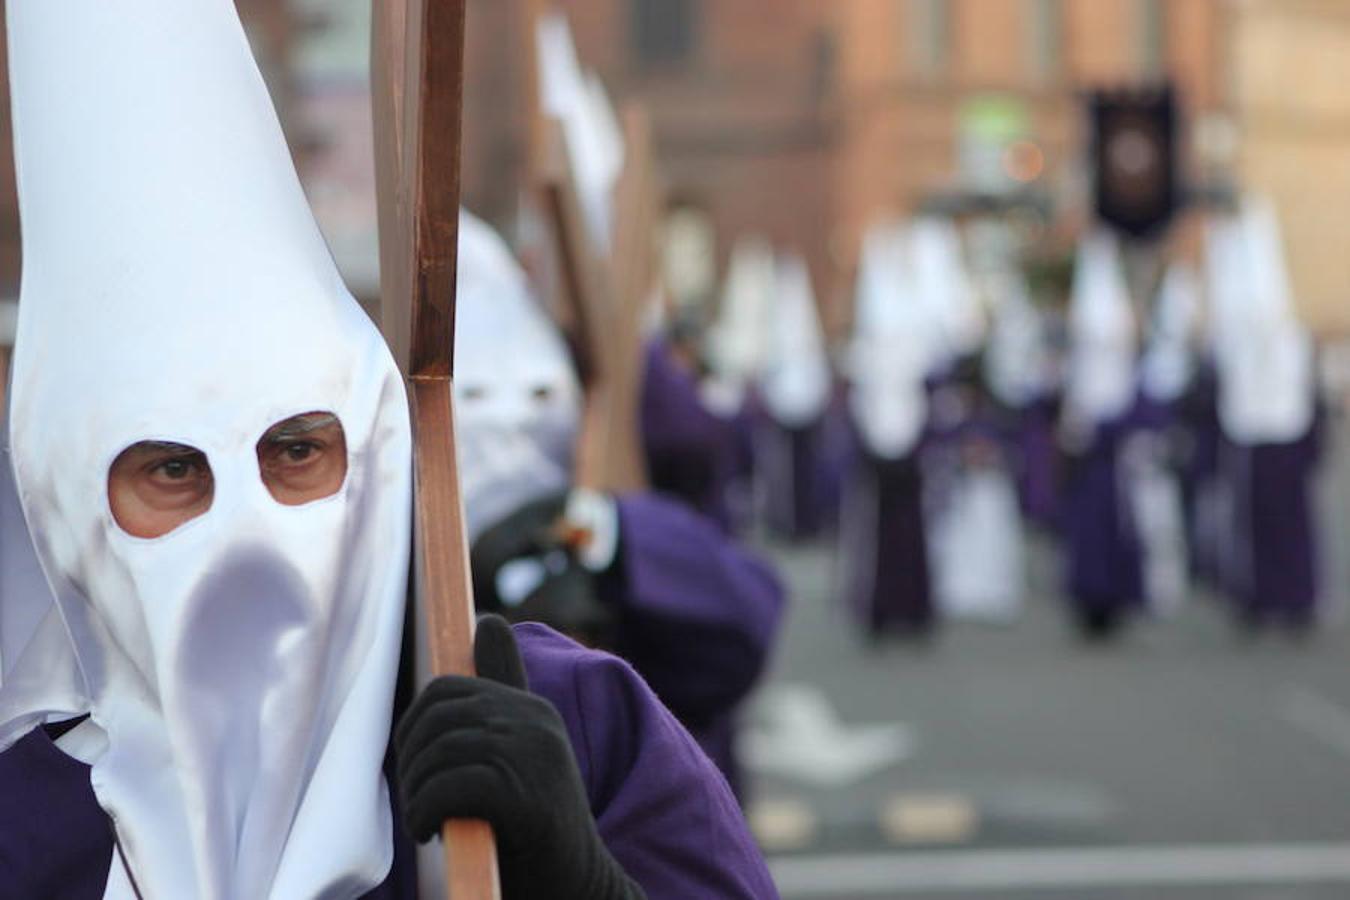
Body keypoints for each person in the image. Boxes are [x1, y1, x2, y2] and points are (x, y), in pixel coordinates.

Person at [0, 3, 778, 897]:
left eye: (296, 450)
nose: (250, 524)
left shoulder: (565, 719)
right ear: (70, 510)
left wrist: (586, 879)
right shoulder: (24, 829)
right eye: (174, 470)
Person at [454, 210, 784, 798]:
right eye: (475, 396)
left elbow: (744, 623)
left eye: (536, 394)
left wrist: (597, 538)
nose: (505, 420)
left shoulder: (611, 528)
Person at [1206, 199, 1321, 633]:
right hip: (1259, 432)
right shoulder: (1269, 328)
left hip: (1273, 433)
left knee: (1284, 524)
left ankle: (1290, 598)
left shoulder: (1283, 332)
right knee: (1262, 523)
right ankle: (1265, 598)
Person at [1059, 232, 1144, 638]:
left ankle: (1114, 596)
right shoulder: (1088, 350)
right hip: (1092, 450)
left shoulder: (1112, 343)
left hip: (1110, 449)